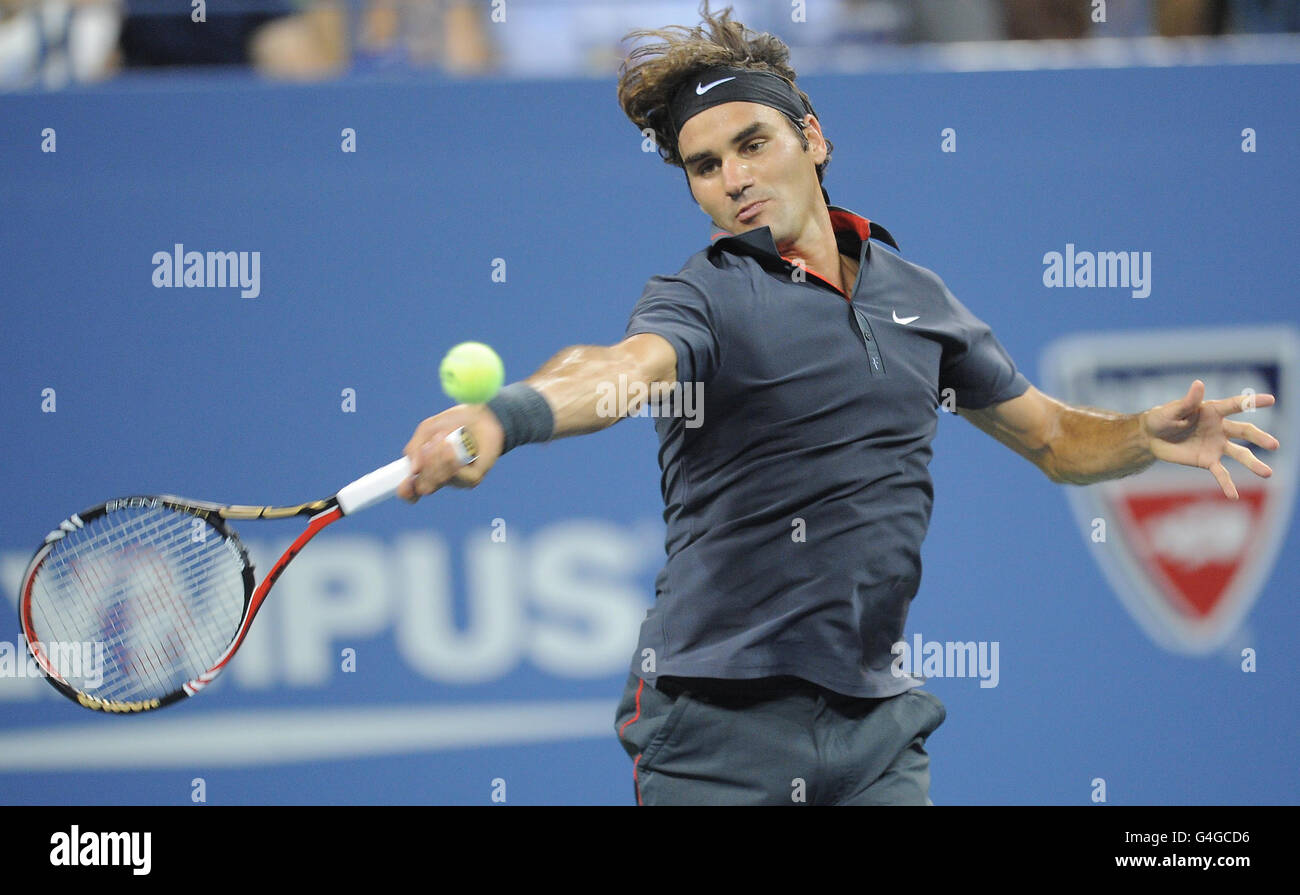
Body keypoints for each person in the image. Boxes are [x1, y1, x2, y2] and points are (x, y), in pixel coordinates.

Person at [396, 3, 1279, 805]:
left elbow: (1053, 439)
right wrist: (506, 418)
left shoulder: (917, 295)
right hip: (715, 730)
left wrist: (1141, 434)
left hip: (878, 731)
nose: (734, 178)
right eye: (705, 167)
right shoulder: (704, 297)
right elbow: (615, 370)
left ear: (811, 137)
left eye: (753, 143)